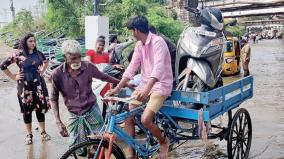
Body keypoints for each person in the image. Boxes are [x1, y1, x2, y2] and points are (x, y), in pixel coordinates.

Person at [107, 16, 173, 159]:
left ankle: (163, 141)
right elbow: (131, 68)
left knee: (145, 119)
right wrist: (117, 88)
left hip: (161, 85)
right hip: (145, 85)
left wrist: (147, 89)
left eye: (131, 30)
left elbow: (159, 69)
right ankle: (131, 154)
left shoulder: (158, 42)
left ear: (136, 31)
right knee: (128, 116)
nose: (132, 33)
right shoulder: (139, 45)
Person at [50, 40, 133, 150]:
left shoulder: (88, 67)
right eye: (73, 58)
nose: (77, 61)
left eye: (79, 57)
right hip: (73, 114)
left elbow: (104, 76)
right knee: (76, 148)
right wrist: (58, 121)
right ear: (65, 57)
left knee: (101, 143)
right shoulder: (57, 74)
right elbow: (53, 98)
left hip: (92, 109)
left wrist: (123, 83)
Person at [0, 33, 51, 145]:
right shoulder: (18, 55)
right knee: (26, 111)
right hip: (25, 86)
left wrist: (42, 71)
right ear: (25, 42)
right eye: (30, 41)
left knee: (40, 108)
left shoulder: (38, 53)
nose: (33, 43)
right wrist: (13, 76)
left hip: (38, 85)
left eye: (34, 41)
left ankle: (43, 132)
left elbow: (46, 62)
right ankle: (29, 134)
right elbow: (3, 66)